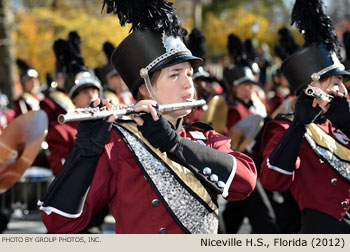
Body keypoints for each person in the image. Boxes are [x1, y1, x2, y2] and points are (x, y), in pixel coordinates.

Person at [38, 0, 257, 234]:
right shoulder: (119, 145)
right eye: (174, 75)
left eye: (189, 74)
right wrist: (84, 154)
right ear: (144, 88)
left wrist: (175, 144)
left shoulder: (204, 137)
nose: (187, 84)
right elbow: (58, 223)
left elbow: (245, 184)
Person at [260, 0, 350, 233]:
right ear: (313, 86)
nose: (344, 91)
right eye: (337, 83)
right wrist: (299, 126)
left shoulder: (340, 123)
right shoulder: (285, 127)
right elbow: (272, 181)